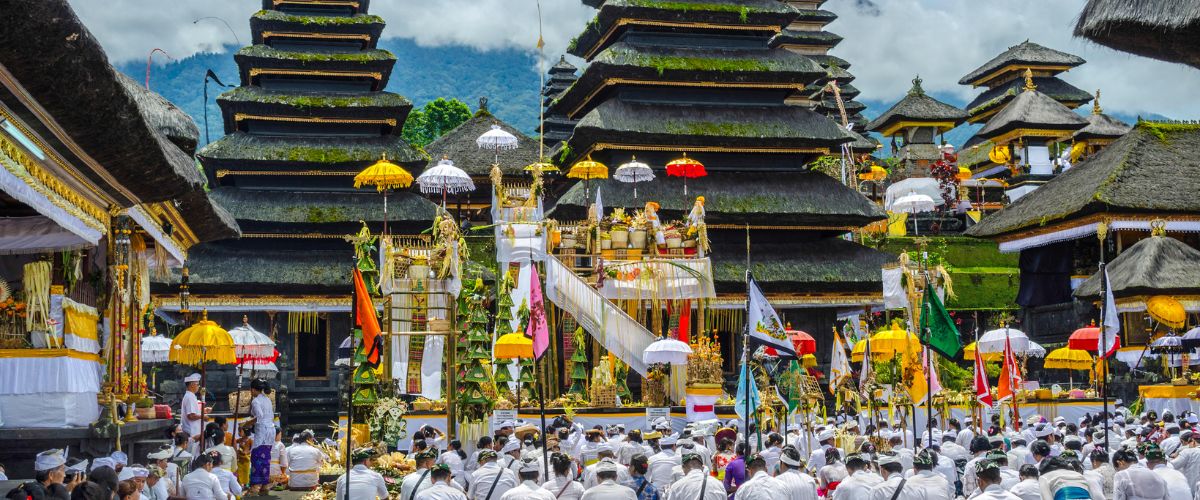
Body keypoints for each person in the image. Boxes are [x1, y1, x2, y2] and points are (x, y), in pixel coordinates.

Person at [243, 378, 275, 495]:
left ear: (253, 389)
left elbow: (259, 416)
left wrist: (247, 423)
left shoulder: (256, 401)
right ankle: (265, 484)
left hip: (262, 431)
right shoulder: (267, 399)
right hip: (270, 431)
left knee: (256, 457)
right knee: (265, 458)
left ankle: (255, 486)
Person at [180, 374, 204, 455]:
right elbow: (191, 416)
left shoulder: (191, 396)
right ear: (191, 385)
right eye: (197, 384)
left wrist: (203, 411)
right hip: (191, 432)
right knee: (192, 454)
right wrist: (203, 416)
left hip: (193, 431)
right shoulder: (189, 397)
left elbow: (194, 412)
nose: (198, 386)